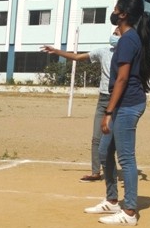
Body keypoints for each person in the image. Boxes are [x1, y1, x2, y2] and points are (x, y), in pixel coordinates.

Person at [84, 0, 150, 226]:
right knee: (104, 151)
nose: (112, 12)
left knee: (126, 157)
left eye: (115, 9)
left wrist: (109, 112)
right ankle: (112, 199)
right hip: (123, 103)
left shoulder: (127, 40)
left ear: (123, 14)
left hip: (127, 104)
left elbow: (122, 79)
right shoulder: (128, 38)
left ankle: (130, 212)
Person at [42, 28, 120, 182]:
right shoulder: (103, 52)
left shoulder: (128, 54)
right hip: (103, 98)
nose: (114, 36)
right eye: (114, 33)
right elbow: (77, 57)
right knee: (96, 138)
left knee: (115, 139)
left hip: (118, 99)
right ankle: (95, 172)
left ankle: (113, 170)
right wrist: (57, 51)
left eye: (117, 34)